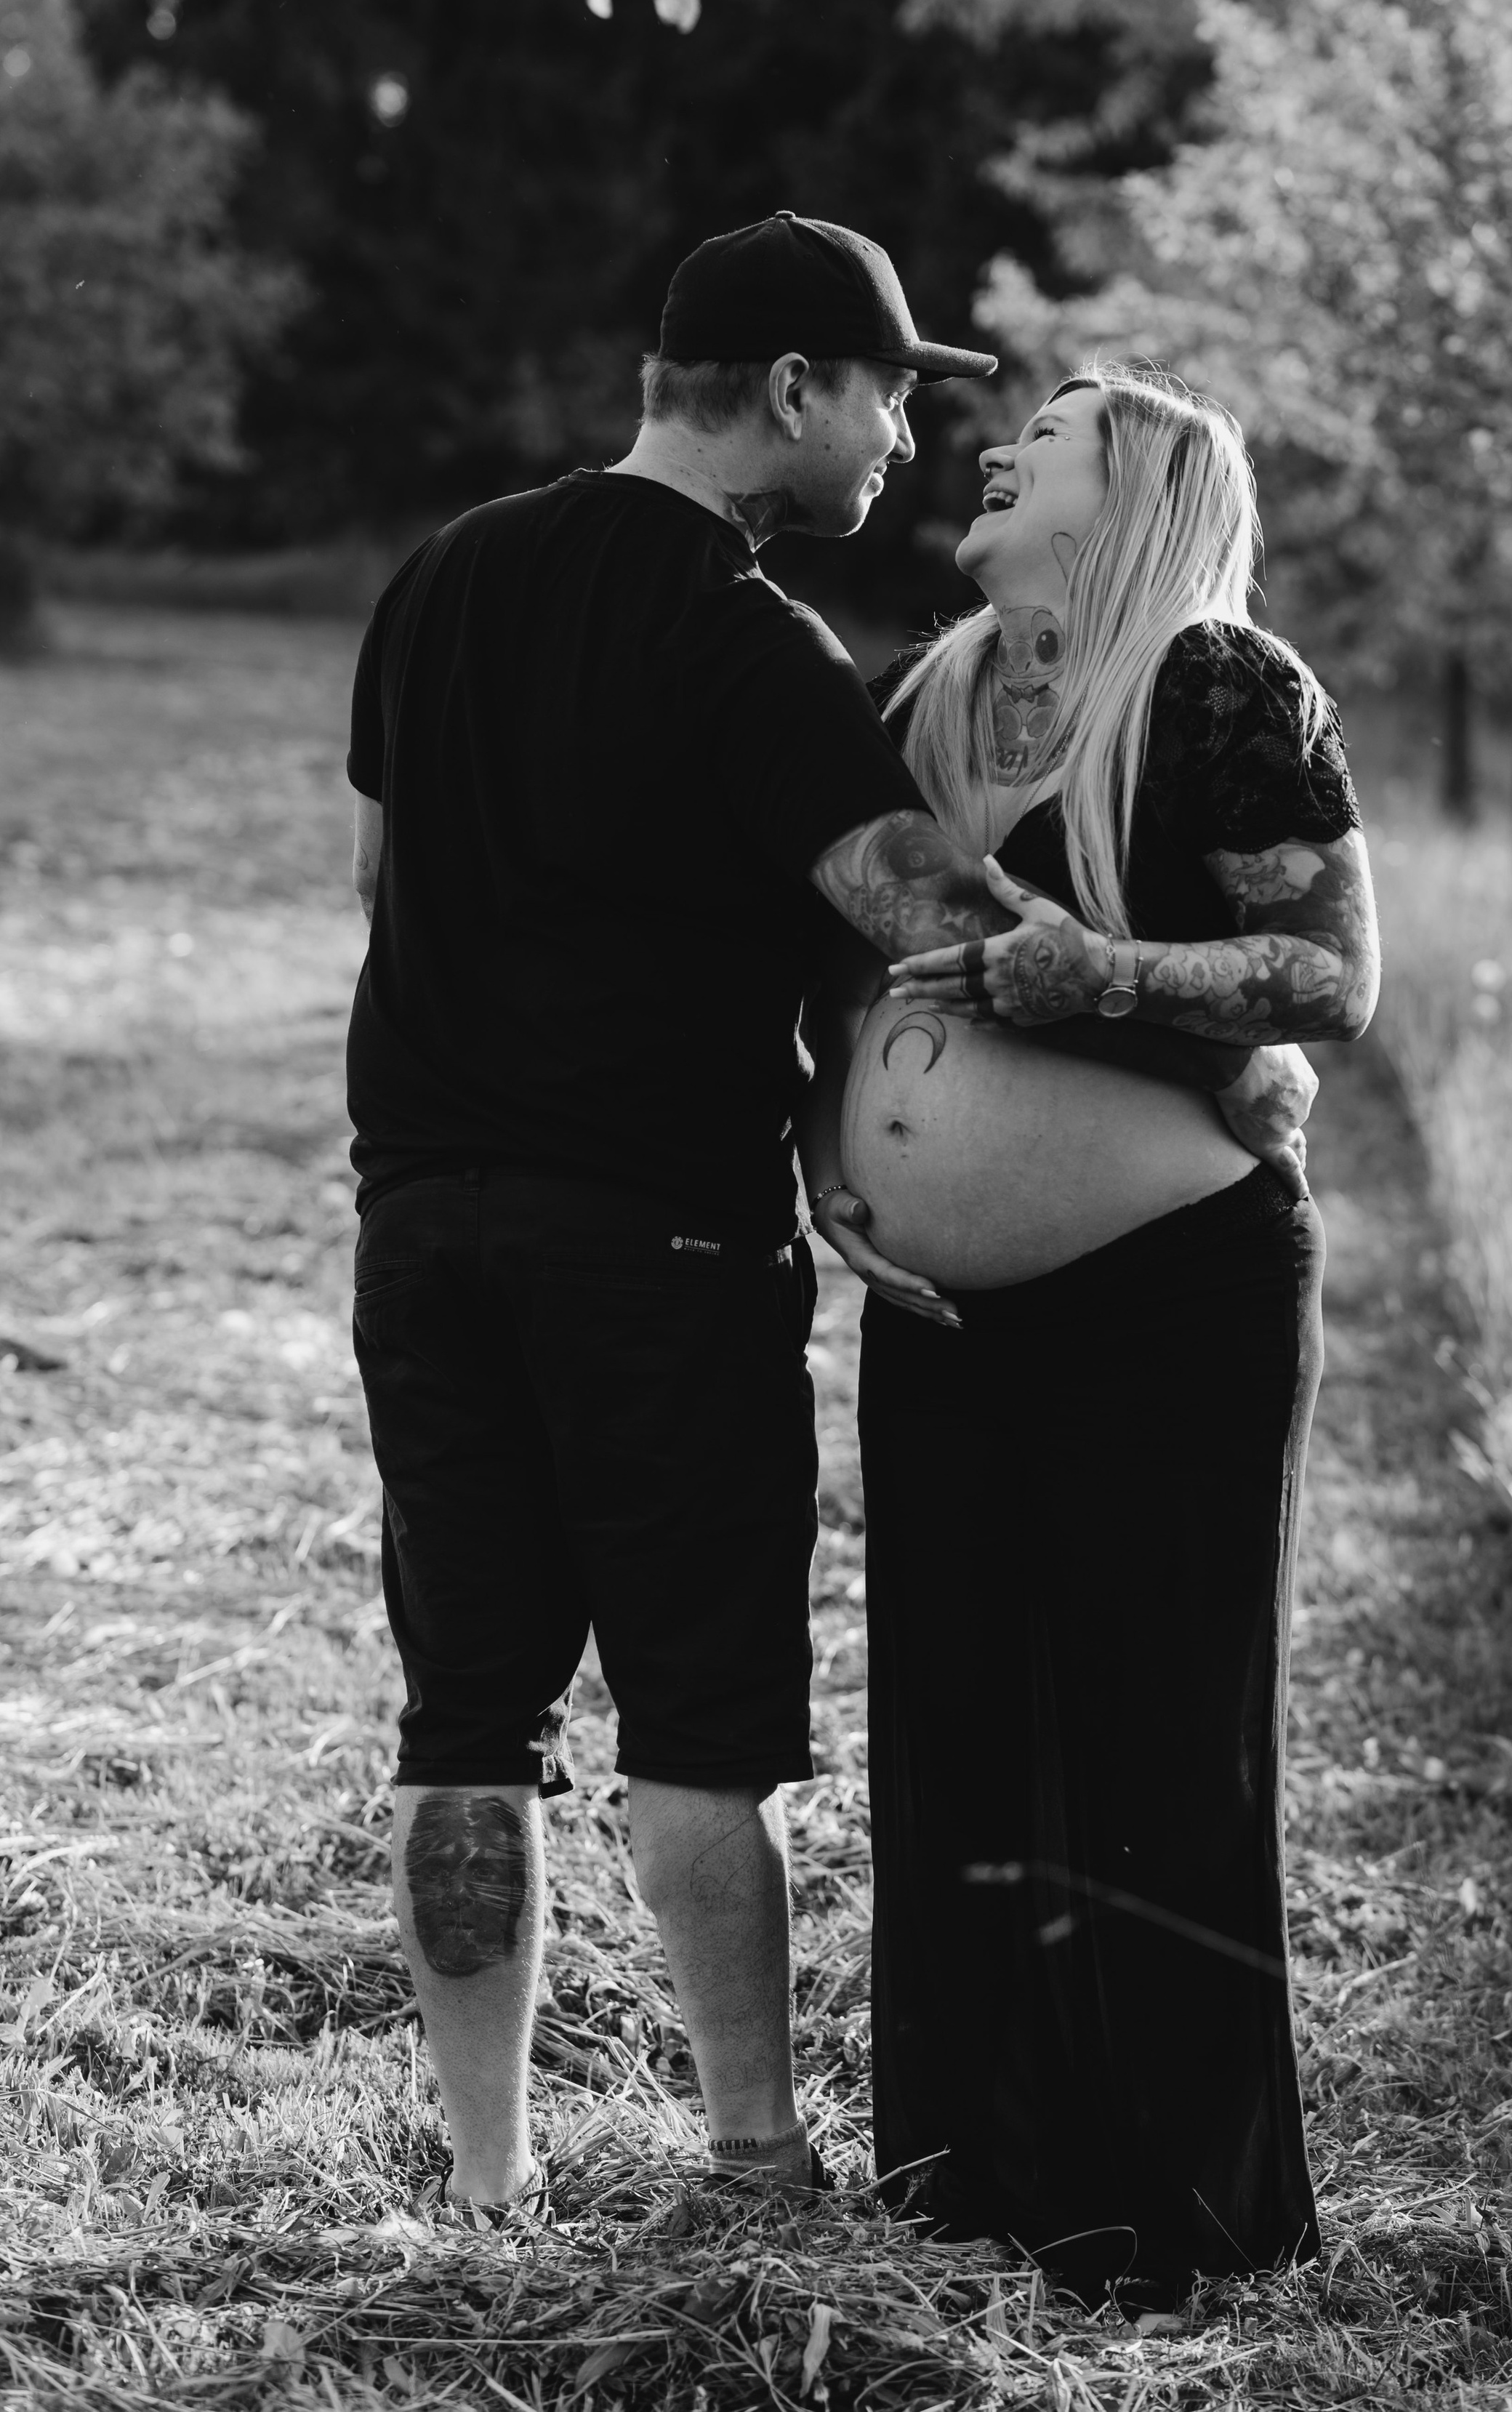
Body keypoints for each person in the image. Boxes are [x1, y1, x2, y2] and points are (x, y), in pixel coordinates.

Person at [342, 209, 1030, 2214]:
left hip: (426, 1224)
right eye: (892, 390)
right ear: (795, 391)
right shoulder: (744, 638)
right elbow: (921, 915)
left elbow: (382, 884)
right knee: (703, 1725)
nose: (904, 433)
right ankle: (755, 2155)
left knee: (466, 1716)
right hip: (660, 1242)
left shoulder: (440, 574)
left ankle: (484, 2192)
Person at [797, 363, 1379, 2302]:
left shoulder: (1223, 688)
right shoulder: (922, 693)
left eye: (1043, 436)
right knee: (956, 1725)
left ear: (1132, 484)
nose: (996, 447)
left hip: (1177, 1296)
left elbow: (1332, 973)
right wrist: (830, 1161)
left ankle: (1188, 2226)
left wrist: (1103, 968)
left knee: (1157, 1736)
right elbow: (808, 959)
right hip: (946, 1309)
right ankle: (973, 2196)